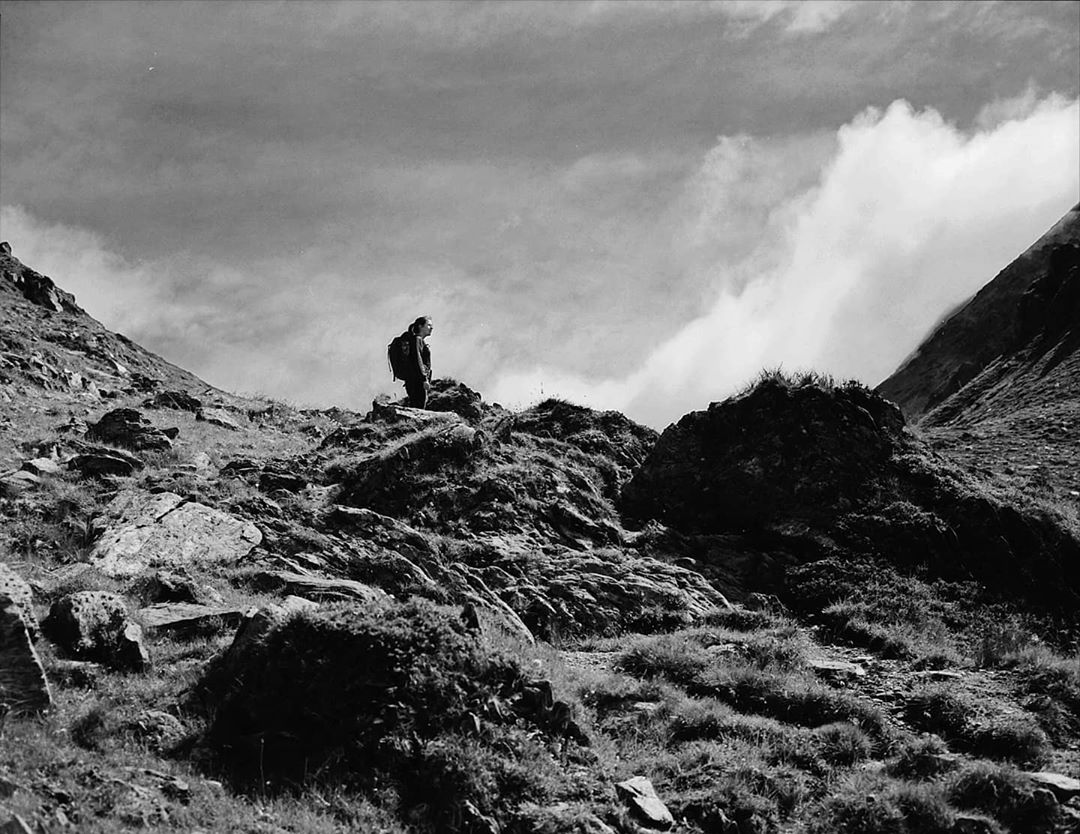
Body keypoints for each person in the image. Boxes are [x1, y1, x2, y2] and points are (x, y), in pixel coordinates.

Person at [403, 315, 433, 408]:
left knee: (416, 406)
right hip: (417, 381)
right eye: (428, 325)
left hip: (413, 380)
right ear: (420, 326)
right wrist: (424, 379)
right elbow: (417, 359)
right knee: (418, 407)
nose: (431, 328)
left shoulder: (416, 340)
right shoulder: (417, 340)